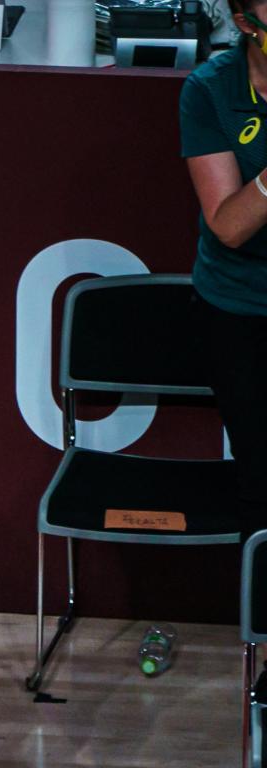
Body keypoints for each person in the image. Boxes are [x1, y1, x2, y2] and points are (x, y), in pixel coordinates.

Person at [182, 0, 267, 535]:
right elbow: (229, 225)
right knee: (261, 481)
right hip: (242, 310)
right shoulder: (211, 89)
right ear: (245, 23)